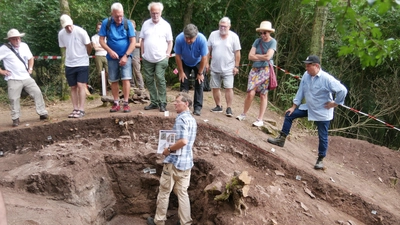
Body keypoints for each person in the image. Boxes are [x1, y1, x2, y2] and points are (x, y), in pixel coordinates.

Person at [267, 55, 348, 170]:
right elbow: (301, 91)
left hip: (322, 112)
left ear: (316, 66)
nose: (306, 68)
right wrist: (294, 106)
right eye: (306, 66)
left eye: (308, 66)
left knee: (322, 136)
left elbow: (342, 90)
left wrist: (335, 103)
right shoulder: (306, 75)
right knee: (289, 115)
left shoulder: (327, 79)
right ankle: (281, 139)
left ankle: (320, 159)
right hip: (309, 108)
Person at [147, 92, 197, 225]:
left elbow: (183, 141)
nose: (174, 103)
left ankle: (159, 221)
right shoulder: (192, 119)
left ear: (186, 104)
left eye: (178, 101)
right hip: (187, 163)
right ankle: (186, 222)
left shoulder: (181, 119)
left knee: (164, 191)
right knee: (182, 193)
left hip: (175, 163)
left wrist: (168, 150)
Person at [0, 29, 48, 127]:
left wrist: (30, 69)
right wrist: (2, 71)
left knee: (37, 92)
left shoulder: (24, 46)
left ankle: (42, 113)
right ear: (10, 40)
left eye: (18, 38)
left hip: (26, 76)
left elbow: (30, 58)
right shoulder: (4, 49)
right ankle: (15, 118)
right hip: (13, 78)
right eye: (14, 39)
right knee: (14, 98)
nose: (17, 40)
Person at [236, 21, 277, 127]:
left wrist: (257, 56)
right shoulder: (257, 41)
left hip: (266, 69)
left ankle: (260, 119)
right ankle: (243, 113)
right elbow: (250, 56)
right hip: (255, 69)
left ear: (269, 33)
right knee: (251, 92)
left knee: (263, 94)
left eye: (265, 33)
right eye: (261, 33)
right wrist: (262, 56)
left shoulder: (273, 42)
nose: (263, 35)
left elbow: (269, 57)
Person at [99, 3, 136, 113]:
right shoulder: (106, 23)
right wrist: (109, 51)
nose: (119, 19)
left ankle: (125, 102)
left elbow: (133, 41)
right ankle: (116, 102)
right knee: (113, 79)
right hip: (111, 56)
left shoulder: (127, 23)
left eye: (121, 16)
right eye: (116, 16)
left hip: (126, 55)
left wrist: (126, 56)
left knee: (126, 78)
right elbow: (101, 40)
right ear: (112, 14)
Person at [140, 2, 173, 112]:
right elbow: (142, 40)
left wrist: (168, 54)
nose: (155, 15)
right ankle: (154, 102)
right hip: (147, 58)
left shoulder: (166, 25)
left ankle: (163, 102)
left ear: (161, 12)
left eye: (157, 13)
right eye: (153, 13)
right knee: (149, 80)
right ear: (150, 12)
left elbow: (170, 41)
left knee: (159, 78)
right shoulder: (145, 24)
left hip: (161, 58)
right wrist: (142, 53)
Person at [58, 14, 92, 118]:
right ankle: (75, 108)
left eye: (70, 25)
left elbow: (89, 45)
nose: (69, 28)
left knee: (81, 85)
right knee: (73, 86)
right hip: (70, 63)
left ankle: (81, 109)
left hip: (82, 62)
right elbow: (63, 46)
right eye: (66, 26)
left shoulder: (81, 31)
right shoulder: (61, 34)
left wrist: (86, 55)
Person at [207, 17, 241, 117]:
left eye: (224, 26)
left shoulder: (234, 37)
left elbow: (237, 53)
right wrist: (206, 63)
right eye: (221, 26)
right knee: (215, 87)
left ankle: (229, 108)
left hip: (229, 68)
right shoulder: (213, 35)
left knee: (229, 87)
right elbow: (208, 50)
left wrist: (236, 66)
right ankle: (218, 106)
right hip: (215, 67)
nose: (222, 28)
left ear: (229, 26)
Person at [174, 24, 208, 116]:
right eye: (187, 38)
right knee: (183, 82)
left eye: (191, 38)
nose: (188, 40)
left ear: (196, 36)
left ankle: (197, 107)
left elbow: (204, 57)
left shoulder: (202, 39)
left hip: (198, 62)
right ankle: (184, 106)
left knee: (199, 83)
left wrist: (200, 73)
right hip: (184, 61)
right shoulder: (179, 39)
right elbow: (177, 56)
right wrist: (181, 72)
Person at [91, 21, 109, 90]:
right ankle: (101, 88)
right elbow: (95, 48)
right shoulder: (94, 37)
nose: (99, 29)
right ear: (96, 29)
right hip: (98, 56)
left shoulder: (106, 37)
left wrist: (100, 46)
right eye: (98, 28)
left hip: (107, 55)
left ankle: (109, 87)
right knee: (99, 73)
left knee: (109, 72)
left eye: (101, 28)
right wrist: (104, 46)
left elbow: (109, 46)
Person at [129, 20, 145, 90]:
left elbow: (140, 44)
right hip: (128, 55)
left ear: (135, 25)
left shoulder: (139, 33)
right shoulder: (127, 34)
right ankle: (132, 87)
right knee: (129, 72)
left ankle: (141, 86)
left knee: (137, 71)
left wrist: (132, 44)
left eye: (132, 25)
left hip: (136, 55)